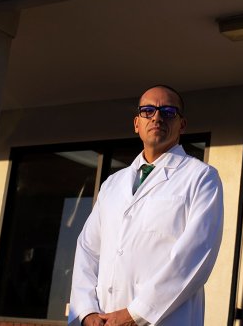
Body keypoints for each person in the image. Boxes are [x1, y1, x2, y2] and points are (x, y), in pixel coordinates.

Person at [68, 85, 224, 326]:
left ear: (182, 124)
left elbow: (195, 255)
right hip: (102, 319)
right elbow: (88, 249)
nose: (157, 117)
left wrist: (136, 314)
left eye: (168, 111)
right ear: (136, 123)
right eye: (148, 110)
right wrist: (86, 311)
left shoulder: (201, 177)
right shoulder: (112, 184)